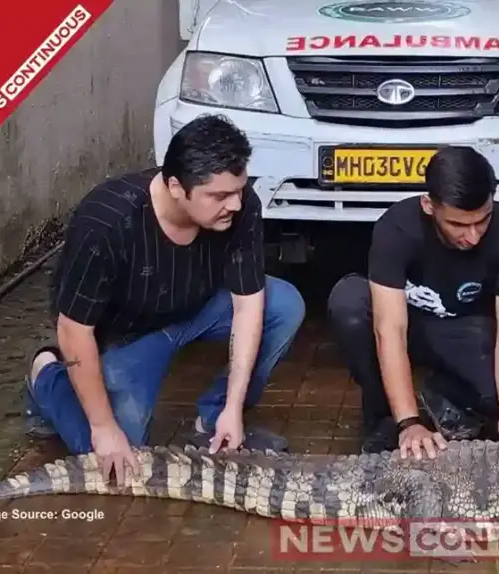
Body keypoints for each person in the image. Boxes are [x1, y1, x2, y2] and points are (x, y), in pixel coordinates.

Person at [23, 113, 306, 484]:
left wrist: (233, 407)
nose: (235, 205)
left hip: (198, 308)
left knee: (283, 304)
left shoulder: (240, 206)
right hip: (129, 337)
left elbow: (249, 303)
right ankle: (46, 376)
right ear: (175, 186)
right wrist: (104, 428)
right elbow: (73, 329)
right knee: (116, 459)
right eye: (219, 196)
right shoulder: (107, 222)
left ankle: (213, 420)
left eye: (239, 190)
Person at [327, 145, 499, 458]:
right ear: (429, 206)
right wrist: (409, 422)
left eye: (481, 221)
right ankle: (387, 418)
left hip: (464, 333)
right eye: (457, 225)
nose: (472, 237)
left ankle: (442, 396)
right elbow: (389, 329)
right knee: (350, 304)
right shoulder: (396, 228)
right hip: (407, 324)